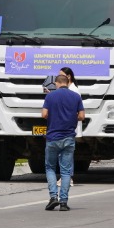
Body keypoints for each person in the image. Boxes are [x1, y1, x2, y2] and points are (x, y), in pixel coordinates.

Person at [40, 72, 85, 212]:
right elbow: (82, 116)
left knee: (50, 168)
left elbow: (44, 114)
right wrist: (70, 118)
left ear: (57, 84)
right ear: (67, 82)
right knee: (66, 171)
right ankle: (64, 202)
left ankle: (53, 197)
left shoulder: (50, 96)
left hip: (53, 137)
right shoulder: (76, 96)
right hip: (69, 137)